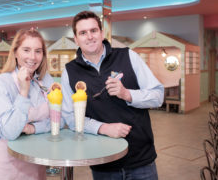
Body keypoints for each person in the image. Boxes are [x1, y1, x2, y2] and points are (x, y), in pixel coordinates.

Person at [61, 11, 164, 180]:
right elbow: (70, 117)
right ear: (76, 39)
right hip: (103, 163)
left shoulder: (128, 56)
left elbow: (158, 96)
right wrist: (103, 128)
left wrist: (127, 94)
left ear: (102, 33)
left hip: (141, 160)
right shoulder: (69, 71)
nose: (89, 37)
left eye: (93, 30)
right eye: (83, 33)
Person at [0, 29, 54, 180]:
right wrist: (24, 91)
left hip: (37, 163)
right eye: (26, 50)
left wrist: (33, 128)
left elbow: (60, 120)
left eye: (38, 51)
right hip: (8, 165)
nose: (32, 57)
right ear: (15, 52)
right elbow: (10, 132)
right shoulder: (1, 84)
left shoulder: (46, 81)